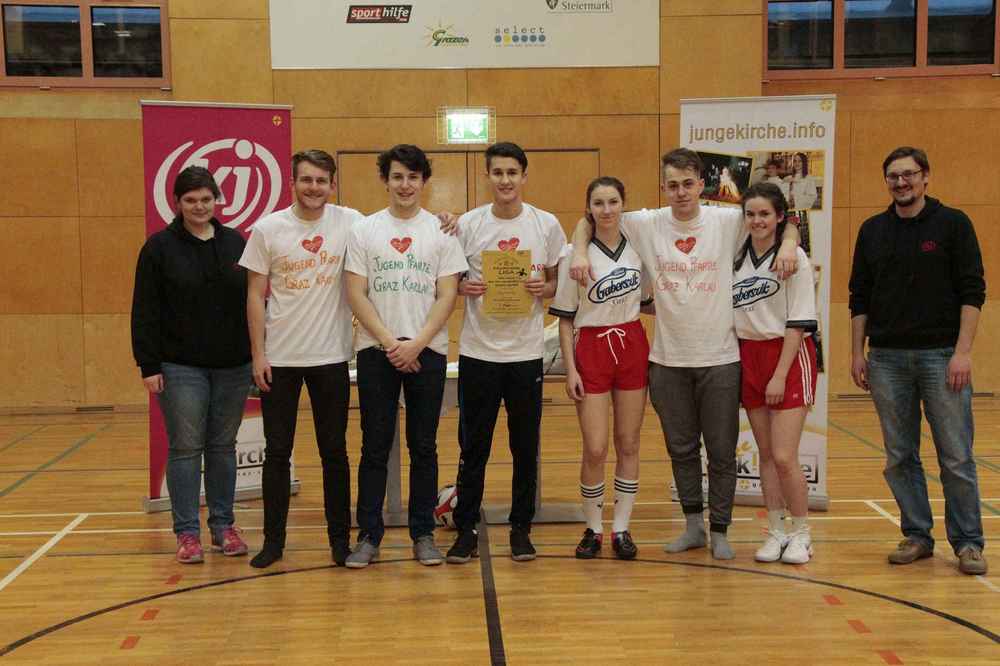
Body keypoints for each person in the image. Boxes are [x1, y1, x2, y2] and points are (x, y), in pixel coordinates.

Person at [570, 148, 799, 560]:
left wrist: (790, 243)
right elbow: (591, 218)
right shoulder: (647, 222)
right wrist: (579, 251)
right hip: (667, 361)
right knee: (682, 450)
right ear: (664, 186)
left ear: (702, 185)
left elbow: (779, 217)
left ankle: (721, 529)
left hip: (721, 358)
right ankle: (693, 526)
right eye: (672, 185)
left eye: (688, 184)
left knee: (722, 451)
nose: (680, 192)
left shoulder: (727, 220)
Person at [849, 146, 987, 575]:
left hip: (942, 357)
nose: (901, 182)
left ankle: (968, 542)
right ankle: (917, 535)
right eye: (893, 176)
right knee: (899, 456)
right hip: (886, 360)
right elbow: (859, 296)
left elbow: (973, 292)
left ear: (926, 176)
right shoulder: (872, 230)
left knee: (956, 457)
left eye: (908, 174)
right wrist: (857, 352)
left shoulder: (954, 224)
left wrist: (962, 352)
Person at [344, 144, 468, 568]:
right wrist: (390, 343)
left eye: (413, 177)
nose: (405, 184)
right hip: (376, 350)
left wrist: (416, 344)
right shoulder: (364, 230)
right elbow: (356, 292)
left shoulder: (441, 231)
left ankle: (423, 534)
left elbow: (447, 294)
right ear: (385, 180)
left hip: (426, 350)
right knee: (374, 447)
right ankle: (369, 536)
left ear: (424, 182)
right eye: (397, 176)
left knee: (424, 447)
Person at [239, 149, 362, 569]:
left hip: (331, 357)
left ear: (332, 184)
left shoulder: (352, 222)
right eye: (306, 180)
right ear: (293, 183)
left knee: (335, 453)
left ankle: (339, 541)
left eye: (321, 180)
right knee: (277, 452)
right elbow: (254, 295)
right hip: (280, 359)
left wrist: (446, 220)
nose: (314, 187)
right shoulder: (268, 229)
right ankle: (273, 542)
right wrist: (259, 353)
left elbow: (397, 227)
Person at [444, 141, 566, 564]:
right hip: (478, 353)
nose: (505, 180)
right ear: (488, 176)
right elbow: (450, 281)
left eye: (512, 172)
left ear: (524, 176)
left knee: (524, 447)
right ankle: (465, 529)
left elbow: (556, 282)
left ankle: (520, 528)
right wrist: (463, 286)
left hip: (526, 354)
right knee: (473, 448)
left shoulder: (546, 224)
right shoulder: (469, 224)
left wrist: (544, 288)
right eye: (498, 172)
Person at [131, 165, 252, 564]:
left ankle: (223, 526)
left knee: (223, 447)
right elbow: (144, 310)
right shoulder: (158, 248)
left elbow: (253, 302)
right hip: (180, 366)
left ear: (217, 200)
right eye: (190, 200)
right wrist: (149, 365)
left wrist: (256, 354)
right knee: (185, 448)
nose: (199, 206)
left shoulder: (235, 243)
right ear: (177, 203)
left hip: (234, 366)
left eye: (206, 199)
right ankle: (186, 533)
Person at [551, 176, 652, 560]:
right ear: (589, 208)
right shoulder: (573, 255)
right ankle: (593, 528)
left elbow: (648, 299)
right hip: (592, 348)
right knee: (595, 448)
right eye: (598, 203)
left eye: (613, 202)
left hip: (631, 344)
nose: (606, 210)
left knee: (629, 443)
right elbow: (564, 318)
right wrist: (571, 369)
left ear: (623, 204)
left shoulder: (638, 247)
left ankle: (621, 528)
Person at [733, 182, 817, 564]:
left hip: (787, 355)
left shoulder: (793, 258)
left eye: (765, 213)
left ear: (780, 216)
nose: (757, 220)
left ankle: (802, 533)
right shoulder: (737, 253)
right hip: (748, 354)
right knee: (766, 455)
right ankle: (776, 531)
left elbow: (798, 323)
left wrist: (780, 375)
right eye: (751, 213)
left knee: (784, 456)